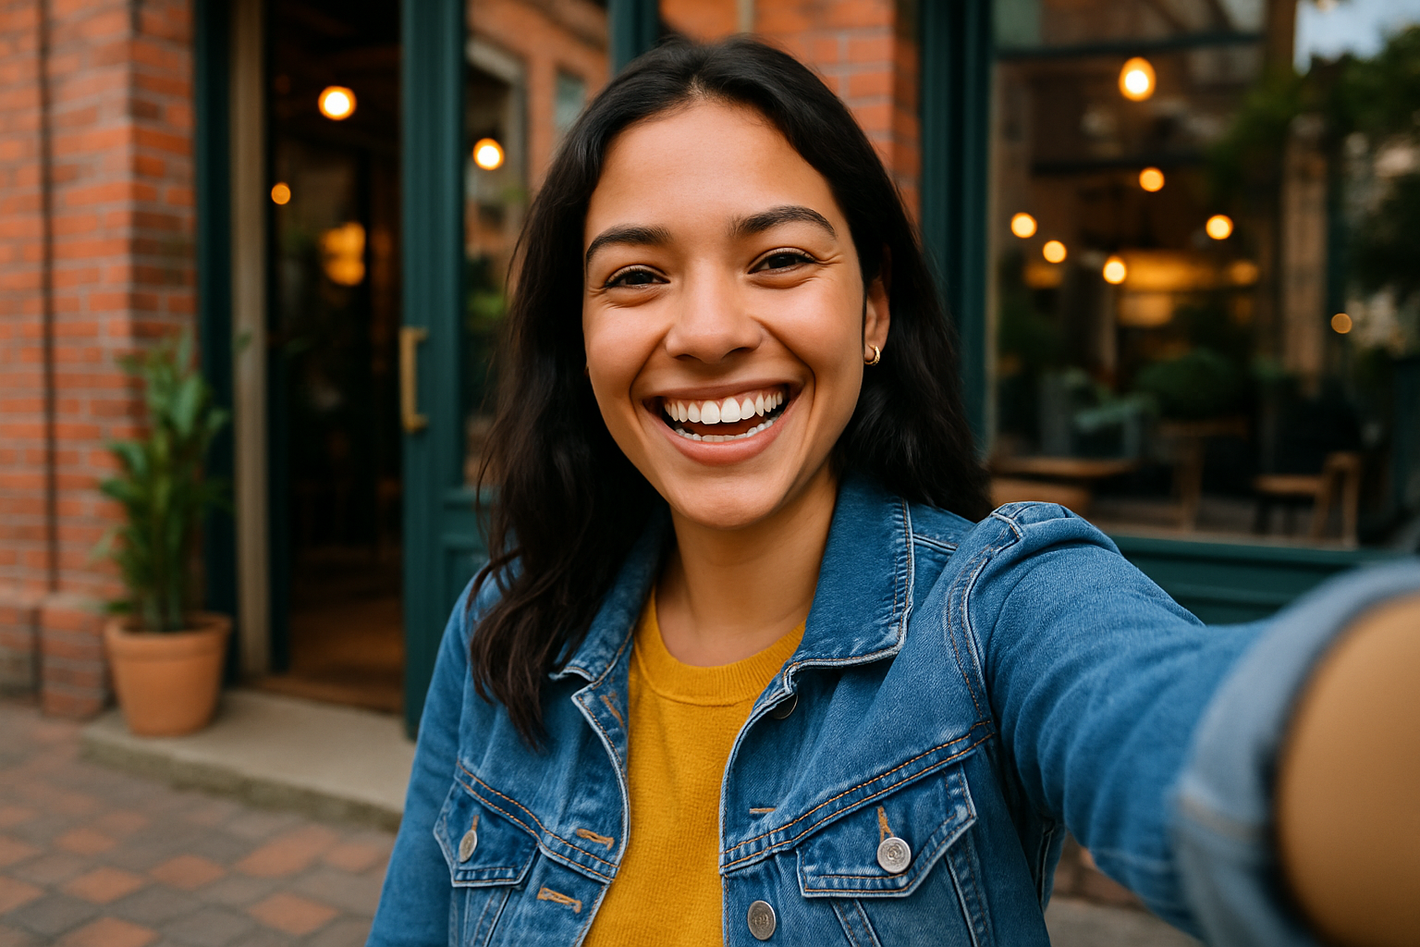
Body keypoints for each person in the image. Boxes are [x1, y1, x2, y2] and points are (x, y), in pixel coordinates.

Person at [368, 38, 1419, 947]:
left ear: (872, 312)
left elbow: (1184, 721)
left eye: (777, 257)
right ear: (579, 337)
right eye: (636, 276)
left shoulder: (993, 612)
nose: (706, 330)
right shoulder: (500, 625)